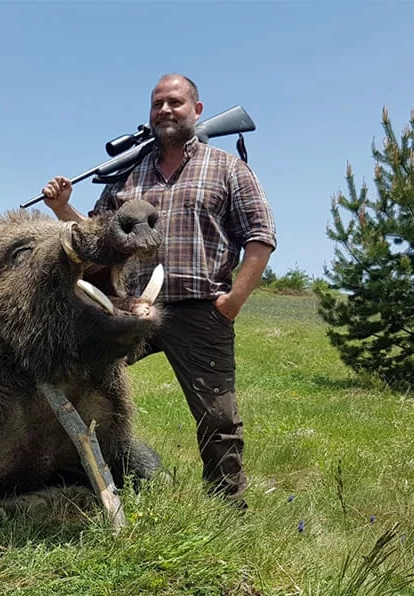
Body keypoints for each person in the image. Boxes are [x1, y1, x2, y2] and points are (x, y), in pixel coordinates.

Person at [40, 73, 276, 506]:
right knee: (74, 378)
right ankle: (69, 475)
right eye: (157, 104)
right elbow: (94, 236)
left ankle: (228, 511)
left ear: (198, 111)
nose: (165, 110)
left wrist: (232, 302)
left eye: (175, 102)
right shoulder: (128, 174)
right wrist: (61, 207)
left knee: (217, 418)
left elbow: (260, 236)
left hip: (202, 311)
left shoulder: (226, 167)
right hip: (130, 308)